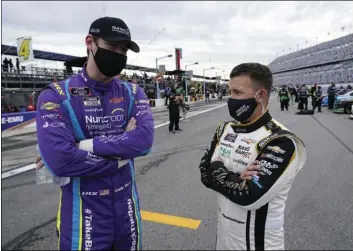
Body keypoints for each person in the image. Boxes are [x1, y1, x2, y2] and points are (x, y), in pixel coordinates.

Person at [34, 16, 154, 250]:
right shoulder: (56, 95)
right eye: (112, 47)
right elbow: (61, 159)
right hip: (83, 217)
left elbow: (144, 141)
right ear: (90, 42)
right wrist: (120, 158)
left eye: (123, 50)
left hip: (127, 213)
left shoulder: (133, 92)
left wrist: (83, 146)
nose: (118, 54)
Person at [198, 63, 307, 250]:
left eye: (238, 93)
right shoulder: (224, 129)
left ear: (261, 95)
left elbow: (250, 195)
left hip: (259, 241)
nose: (231, 99)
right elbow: (204, 174)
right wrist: (236, 178)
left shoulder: (280, 141)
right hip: (223, 237)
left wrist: (218, 169)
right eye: (230, 92)